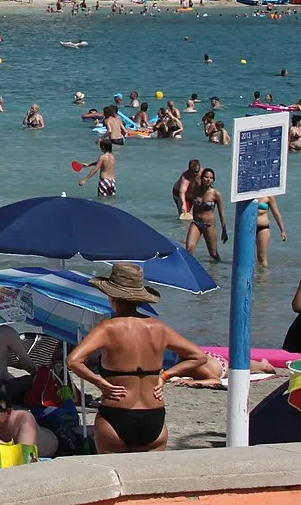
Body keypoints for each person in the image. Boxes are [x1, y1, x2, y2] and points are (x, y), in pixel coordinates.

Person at [67, 263, 209, 452]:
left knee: (115, 475)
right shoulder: (159, 328)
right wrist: (164, 376)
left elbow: (73, 361)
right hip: (154, 415)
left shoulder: (108, 328)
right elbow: (198, 357)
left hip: (116, 412)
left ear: (111, 297)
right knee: (150, 479)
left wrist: (100, 383)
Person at [184, 168, 225, 261]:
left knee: (213, 254)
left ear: (213, 180)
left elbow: (221, 213)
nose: (208, 179)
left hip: (209, 225)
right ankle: (190, 271)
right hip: (196, 223)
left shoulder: (216, 194)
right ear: (202, 178)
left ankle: (216, 272)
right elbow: (189, 200)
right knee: (189, 250)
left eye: (211, 178)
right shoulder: (196, 190)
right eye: (206, 177)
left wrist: (224, 230)